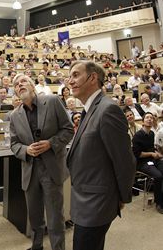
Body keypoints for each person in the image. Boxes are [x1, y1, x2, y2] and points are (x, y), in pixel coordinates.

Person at [67, 61, 135, 250]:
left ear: (93, 78)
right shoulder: (89, 109)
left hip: (97, 203)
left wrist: (121, 196)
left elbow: (124, 160)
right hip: (86, 199)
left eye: (75, 75)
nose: (69, 81)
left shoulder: (107, 110)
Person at [9, 73, 73, 250]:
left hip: (51, 169)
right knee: (35, 217)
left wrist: (50, 144)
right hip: (30, 170)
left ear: (32, 85)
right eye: (16, 84)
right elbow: (14, 144)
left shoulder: (52, 101)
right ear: (15, 92)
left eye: (23, 81)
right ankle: (37, 246)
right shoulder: (15, 115)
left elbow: (68, 130)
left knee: (55, 218)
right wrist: (26, 150)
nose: (20, 85)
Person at [132, 112, 163, 214]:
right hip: (142, 163)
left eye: (151, 118)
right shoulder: (138, 135)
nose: (150, 119)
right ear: (143, 121)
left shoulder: (152, 133)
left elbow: (151, 148)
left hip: (152, 159)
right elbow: (138, 154)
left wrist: (156, 153)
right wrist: (151, 153)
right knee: (158, 176)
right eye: (147, 118)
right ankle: (159, 203)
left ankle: (160, 196)